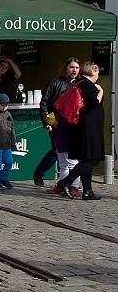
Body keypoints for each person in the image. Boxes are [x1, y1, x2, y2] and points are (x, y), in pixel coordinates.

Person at [57, 62, 104, 201]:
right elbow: (93, 104)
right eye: (97, 72)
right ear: (92, 71)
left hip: (84, 127)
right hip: (88, 128)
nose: (98, 75)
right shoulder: (87, 85)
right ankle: (66, 181)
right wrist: (100, 92)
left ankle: (87, 191)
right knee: (93, 158)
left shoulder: (80, 83)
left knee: (86, 159)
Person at [34, 58, 81, 192]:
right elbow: (45, 103)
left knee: (70, 154)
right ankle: (41, 174)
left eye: (77, 68)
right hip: (57, 123)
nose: (74, 70)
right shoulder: (55, 82)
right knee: (58, 151)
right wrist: (47, 121)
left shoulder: (80, 84)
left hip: (74, 125)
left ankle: (69, 184)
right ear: (66, 68)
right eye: (72, 67)